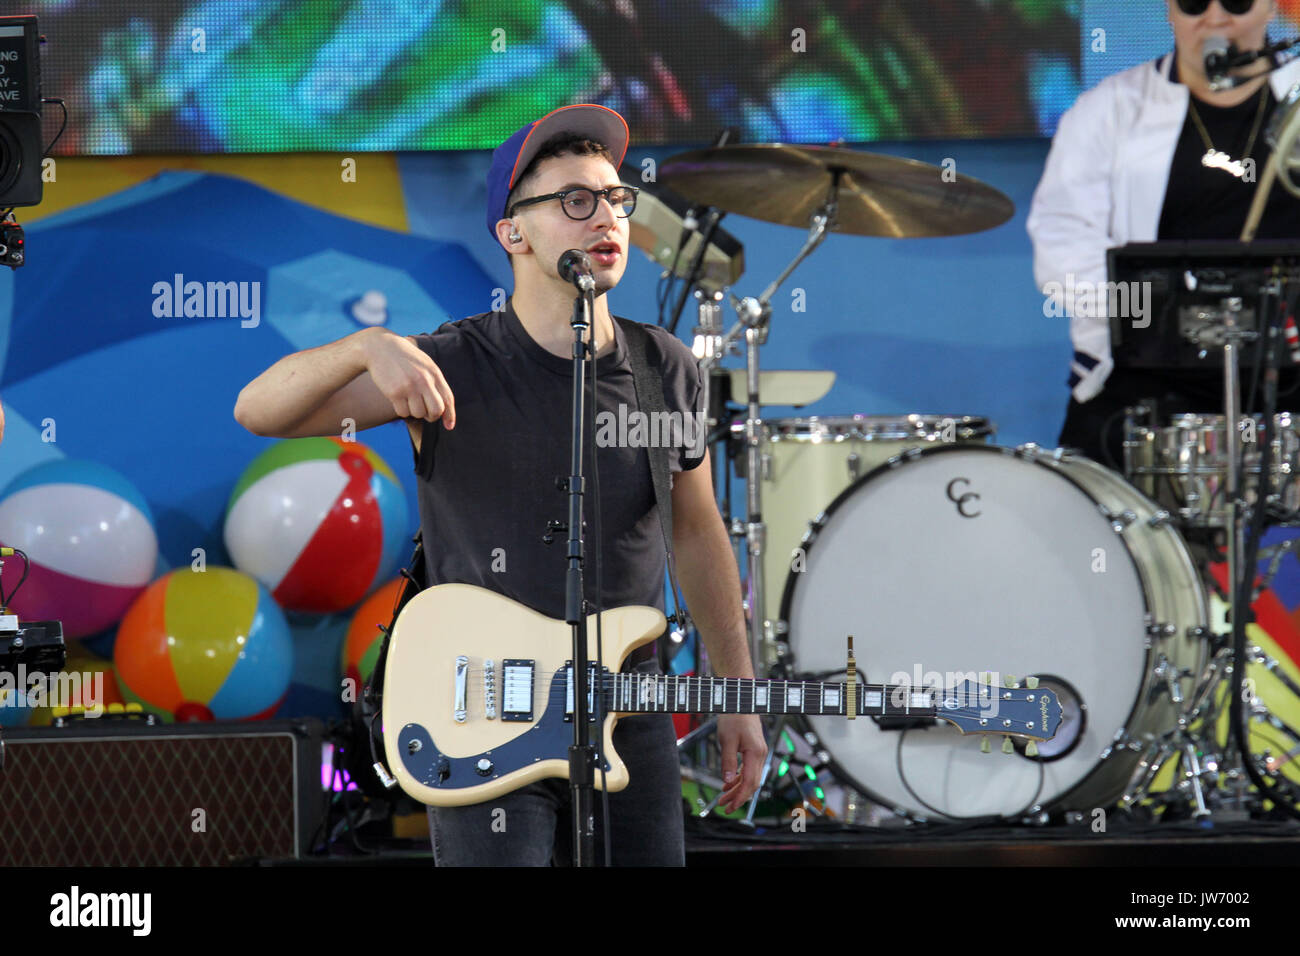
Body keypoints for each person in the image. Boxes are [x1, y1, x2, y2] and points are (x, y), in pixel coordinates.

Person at [234, 104, 765, 866]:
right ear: (514, 232)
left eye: (615, 198)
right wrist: (363, 348)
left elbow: (696, 529)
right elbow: (257, 410)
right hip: (484, 707)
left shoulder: (666, 369)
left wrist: (737, 693)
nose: (605, 217)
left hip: (627, 704)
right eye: (574, 201)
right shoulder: (448, 365)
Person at [1028, 0, 1300, 467]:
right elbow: (1062, 249)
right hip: (1145, 379)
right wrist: (1171, 312)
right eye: (1194, 3)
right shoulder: (1109, 109)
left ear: (1271, 7)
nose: (1215, 18)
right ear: (1170, 12)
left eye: (1236, 1)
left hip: (1287, 373)